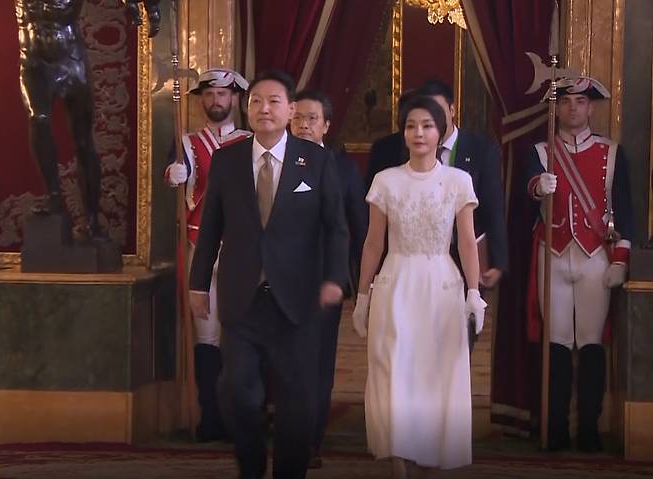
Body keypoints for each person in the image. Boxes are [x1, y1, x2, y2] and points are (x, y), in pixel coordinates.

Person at [189, 69, 349, 479]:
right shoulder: (228, 160)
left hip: (297, 301)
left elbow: (336, 227)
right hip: (242, 297)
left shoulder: (315, 160)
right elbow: (211, 227)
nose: (264, 108)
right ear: (247, 106)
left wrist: (335, 278)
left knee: (298, 399)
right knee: (236, 389)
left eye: (274, 101)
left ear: (291, 110)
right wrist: (197, 283)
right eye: (256, 101)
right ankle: (252, 463)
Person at [352, 95, 487, 477]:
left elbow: (466, 242)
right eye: (411, 125)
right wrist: (362, 295)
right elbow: (373, 243)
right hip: (396, 282)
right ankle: (399, 465)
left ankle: (431, 460)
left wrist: (473, 293)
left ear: (440, 130)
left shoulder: (458, 181)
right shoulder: (386, 180)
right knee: (393, 370)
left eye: (427, 125)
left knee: (435, 376)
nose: (419, 133)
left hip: (441, 285)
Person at [525, 76, 633, 452]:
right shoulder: (540, 151)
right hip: (552, 254)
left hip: (594, 259)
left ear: (591, 107)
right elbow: (524, 197)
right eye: (566, 102)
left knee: (590, 345)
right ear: (557, 107)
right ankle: (554, 428)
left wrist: (620, 258)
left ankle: (588, 428)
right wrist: (538, 186)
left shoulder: (612, 153)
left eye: (580, 102)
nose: (574, 108)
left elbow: (626, 215)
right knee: (555, 345)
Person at [16, 0, 160, 237]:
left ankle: (91, 218)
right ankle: (53, 197)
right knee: (38, 119)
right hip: (33, 62)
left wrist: (149, 9)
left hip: (71, 61)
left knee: (83, 141)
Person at [166, 67, 251, 442]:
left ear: (235, 98)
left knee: (241, 335)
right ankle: (210, 416)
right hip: (200, 248)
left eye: (222, 94)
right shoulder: (185, 142)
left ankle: (242, 415)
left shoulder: (251, 141)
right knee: (207, 337)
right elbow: (172, 185)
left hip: (242, 253)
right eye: (209, 94)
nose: (215, 101)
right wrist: (173, 174)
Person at [290, 89, 368, 469]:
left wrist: (355, 281)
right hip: (278, 281)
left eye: (312, 119)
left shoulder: (343, 168)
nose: (304, 124)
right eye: (298, 117)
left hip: (324, 283)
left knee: (317, 364)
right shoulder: (271, 161)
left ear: (327, 125)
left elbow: (357, 225)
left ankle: (310, 441)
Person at [366, 80, 508, 289]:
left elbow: (492, 208)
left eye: (436, 114)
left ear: (451, 110)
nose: (422, 129)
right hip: (403, 266)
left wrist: (497, 258)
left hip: (463, 258)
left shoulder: (482, 150)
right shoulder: (389, 150)